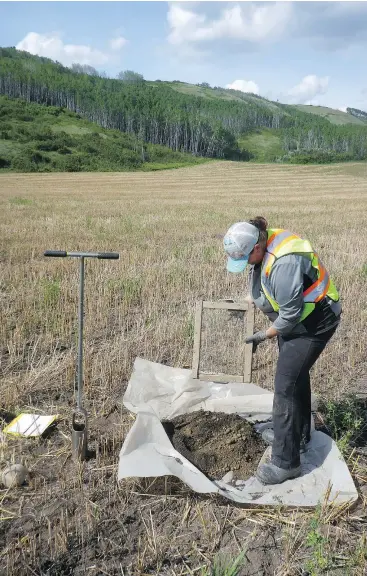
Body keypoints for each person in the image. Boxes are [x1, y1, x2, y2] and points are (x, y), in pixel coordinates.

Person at [223, 217, 341, 485]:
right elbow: (264, 279)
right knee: (295, 376)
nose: (245, 265)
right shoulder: (264, 243)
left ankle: (286, 463)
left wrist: (264, 335)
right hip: (298, 322)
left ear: (256, 247)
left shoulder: (285, 263)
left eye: (245, 258)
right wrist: (246, 303)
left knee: (285, 386)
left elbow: (289, 315)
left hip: (314, 323)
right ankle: (296, 437)